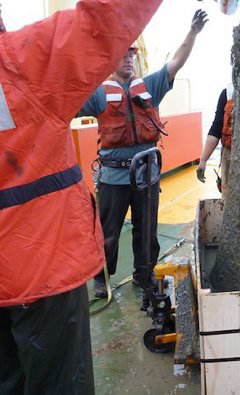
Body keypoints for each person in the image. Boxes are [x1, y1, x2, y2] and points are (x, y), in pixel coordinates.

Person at [0, 1, 163, 393]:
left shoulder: (145, 86)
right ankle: (106, 284)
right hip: (43, 271)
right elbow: (103, 19)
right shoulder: (21, 65)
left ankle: (140, 275)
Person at [79, 10, 208, 298]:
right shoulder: (99, 94)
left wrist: (193, 32)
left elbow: (176, 62)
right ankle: (101, 279)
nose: (127, 58)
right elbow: (67, 101)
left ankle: (144, 273)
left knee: (147, 231)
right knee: (108, 232)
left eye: (130, 54)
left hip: (146, 175)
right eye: (122, 54)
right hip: (113, 177)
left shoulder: (149, 87)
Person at [196, 83, 234, 196]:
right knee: (229, 199)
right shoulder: (228, 92)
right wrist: (203, 161)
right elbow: (216, 129)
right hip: (231, 157)